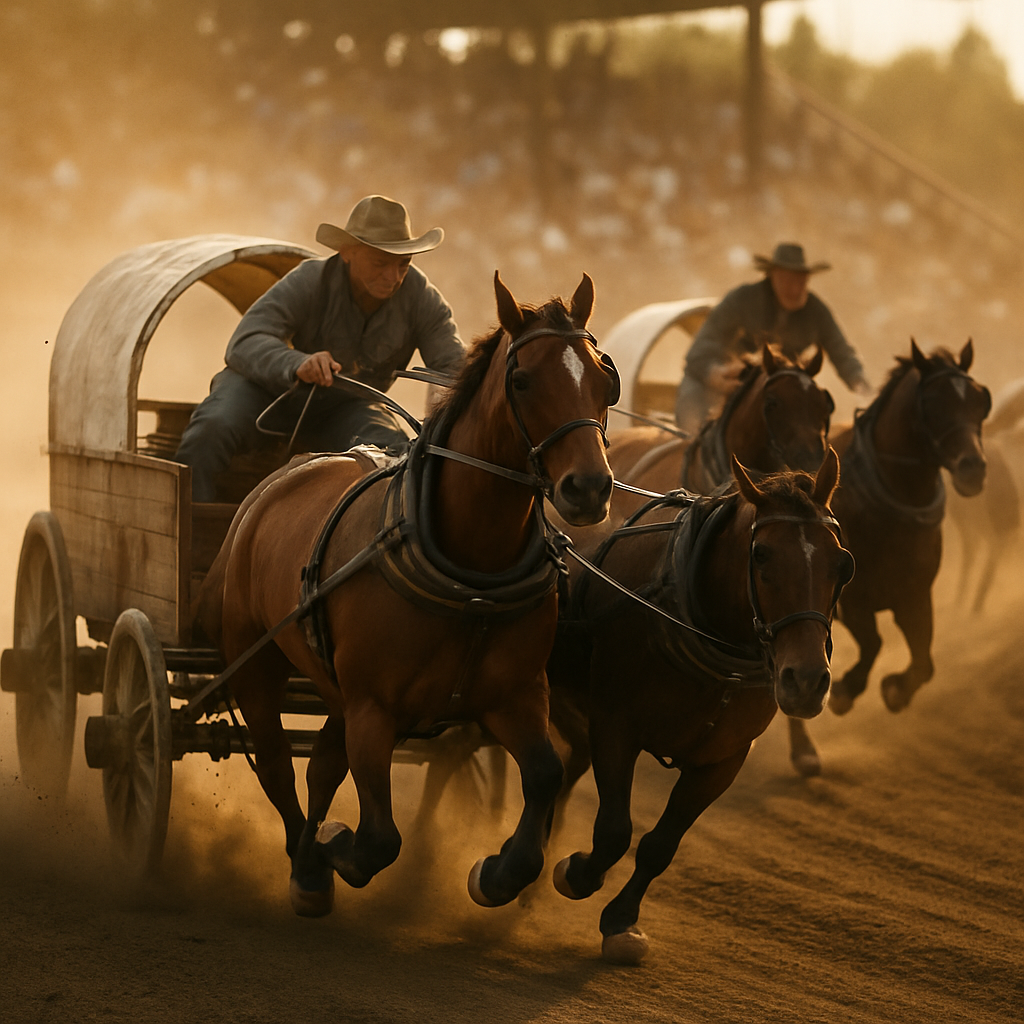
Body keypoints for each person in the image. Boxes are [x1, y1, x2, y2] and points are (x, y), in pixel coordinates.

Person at [175, 195, 465, 502]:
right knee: (211, 429)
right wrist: (297, 362)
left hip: (345, 407)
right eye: (380, 263)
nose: (393, 277)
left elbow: (453, 368)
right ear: (348, 253)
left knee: (394, 454)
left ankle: (375, 543)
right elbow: (245, 342)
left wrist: (440, 405)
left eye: (403, 264)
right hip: (265, 390)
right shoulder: (309, 279)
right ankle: (193, 529)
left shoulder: (421, 297)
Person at [674, 242, 871, 433]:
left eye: (800, 282)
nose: (795, 290)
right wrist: (714, 373)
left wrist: (863, 389)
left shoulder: (816, 311)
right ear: (771, 276)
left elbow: (841, 352)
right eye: (788, 281)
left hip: (772, 392)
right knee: (693, 431)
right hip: (720, 382)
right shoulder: (742, 300)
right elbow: (702, 346)